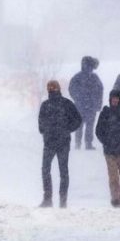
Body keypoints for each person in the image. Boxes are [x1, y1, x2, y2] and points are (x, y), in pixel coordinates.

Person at [38, 80, 82, 208]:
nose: (52, 89)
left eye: (53, 87)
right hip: (58, 142)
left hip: (55, 142)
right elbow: (77, 120)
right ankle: (56, 200)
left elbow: (77, 120)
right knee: (59, 171)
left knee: (50, 170)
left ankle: (53, 200)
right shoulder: (64, 104)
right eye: (50, 87)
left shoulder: (52, 105)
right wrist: (67, 129)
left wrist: (65, 129)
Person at [68, 56, 103, 150]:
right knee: (88, 125)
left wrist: (77, 98)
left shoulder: (78, 77)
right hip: (88, 105)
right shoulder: (92, 77)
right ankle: (86, 143)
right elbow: (100, 90)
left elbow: (71, 89)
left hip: (83, 105)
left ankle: (80, 143)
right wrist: (98, 103)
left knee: (82, 125)